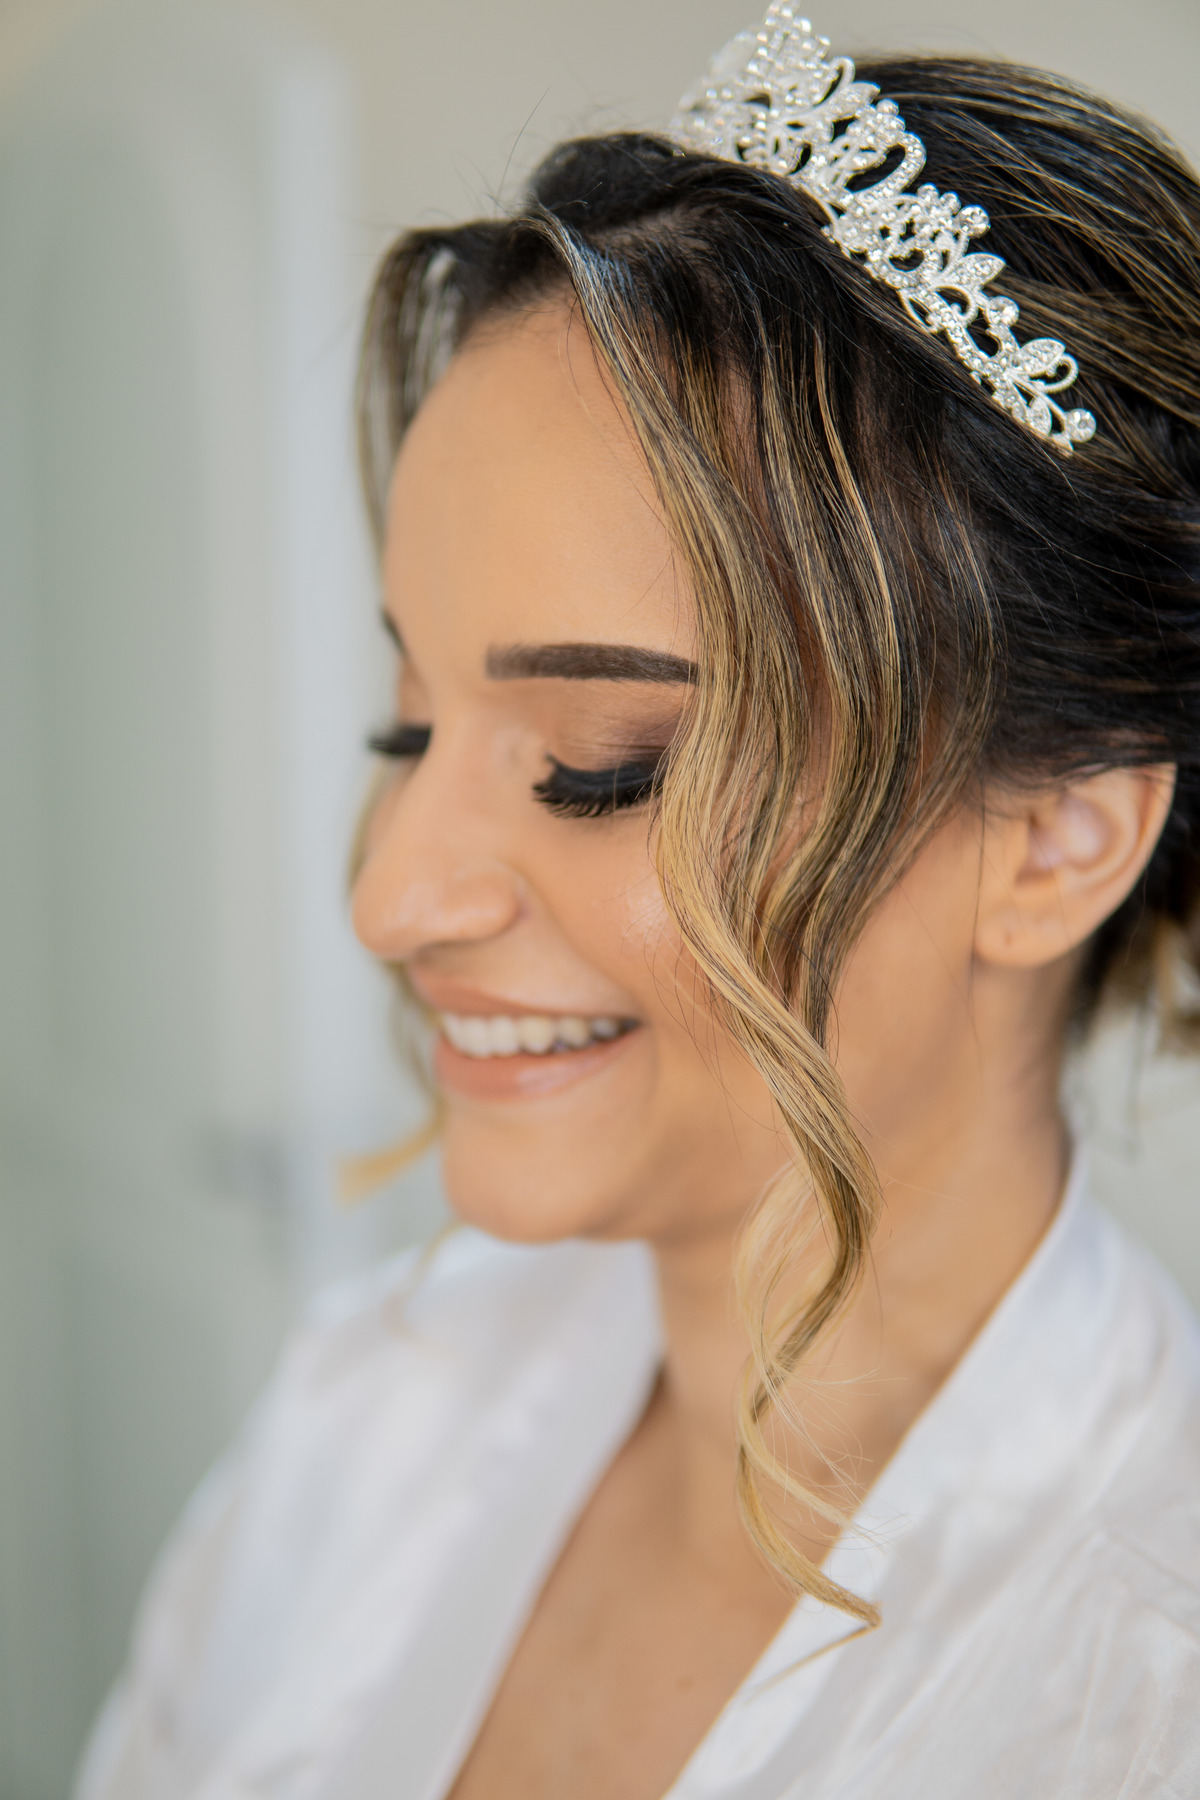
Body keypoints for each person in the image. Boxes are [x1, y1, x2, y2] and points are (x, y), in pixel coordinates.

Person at [77, 8, 1200, 1797]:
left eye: (604, 765)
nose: (391, 899)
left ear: (1057, 838)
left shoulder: (1147, 1695)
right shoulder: (371, 1401)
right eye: (410, 725)